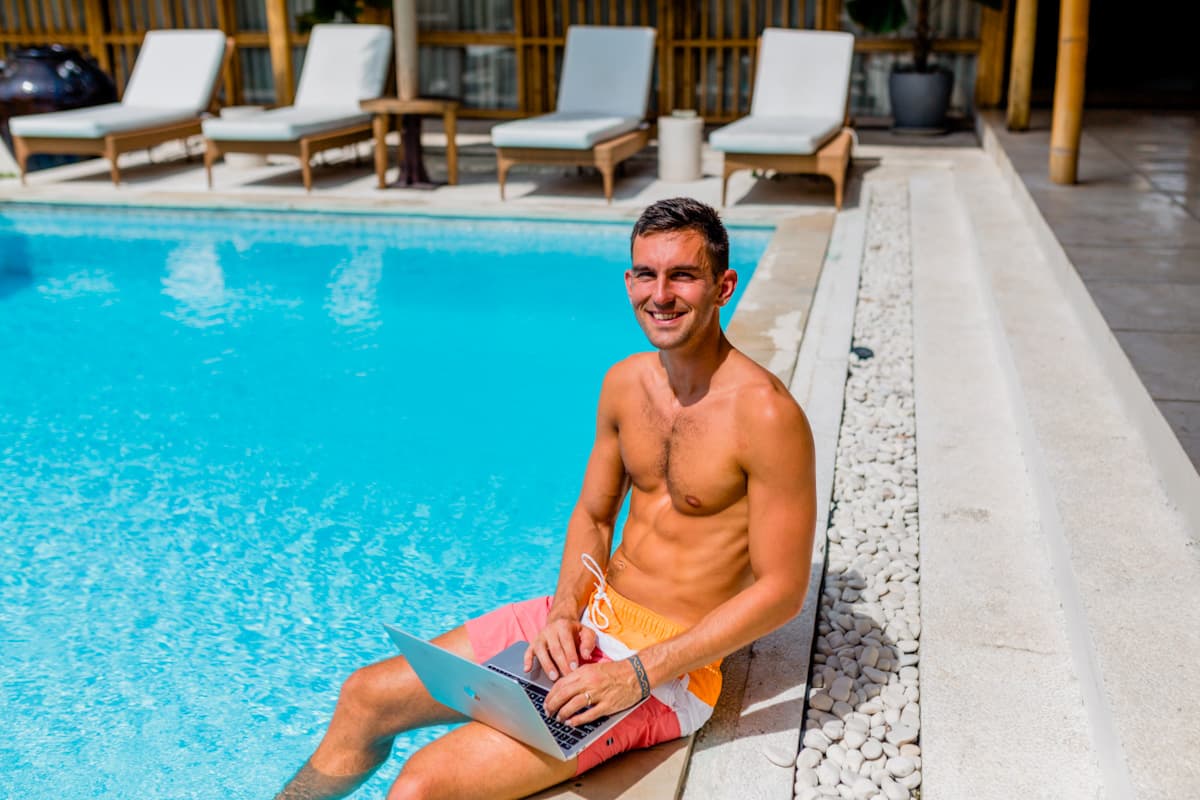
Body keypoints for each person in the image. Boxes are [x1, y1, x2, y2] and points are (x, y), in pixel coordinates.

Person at [277, 197, 817, 800]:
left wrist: (636, 675)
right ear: (628, 280)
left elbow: (781, 591)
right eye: (645, 274)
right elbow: (593, 515)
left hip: (669, 671)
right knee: (364, 697)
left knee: (421, 787)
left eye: (682, 275)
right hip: (587, 620)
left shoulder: (766, 415)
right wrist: (563, 612)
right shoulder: (624, 383)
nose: (660, 295)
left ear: (723, 286)